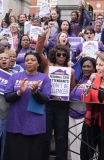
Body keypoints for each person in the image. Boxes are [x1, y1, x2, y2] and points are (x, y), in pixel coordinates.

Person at [3, 51, 51, 160]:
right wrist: (19, 92)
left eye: (33, 60)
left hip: (35, 124)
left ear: (38, 63)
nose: (29, 62)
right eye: (27, 60)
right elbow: (7, 97)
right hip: (16, 122)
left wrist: (35, 92)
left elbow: (45, 99)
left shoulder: (44, 78)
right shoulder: (15, 76)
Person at [36, 31, 76, 159]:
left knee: (60, 137)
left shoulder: (71, 71)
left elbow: (72, 89)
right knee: (46, 137)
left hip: (62, 106)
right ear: (54, 54)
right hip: (47, 105)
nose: (61, 56)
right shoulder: (47, 65)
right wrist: (42, 37)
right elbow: (37, 52)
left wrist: (67, 95)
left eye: (64, 54)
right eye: (58, 54)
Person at [69, 57, 96, 160]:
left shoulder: (94, 81)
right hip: (72, 114)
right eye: (84, 66)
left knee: (82, 145)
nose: (85, 69)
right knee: (73, 144)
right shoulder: (80, 79)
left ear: (94, 69)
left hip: (84, 116)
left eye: (89, 66)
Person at [0, 53, 14, 160]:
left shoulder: (16, 76)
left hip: (8, 116)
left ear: (11, 62)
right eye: (0, 58)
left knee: (4, 147)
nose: (3, 60)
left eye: (6, 58)